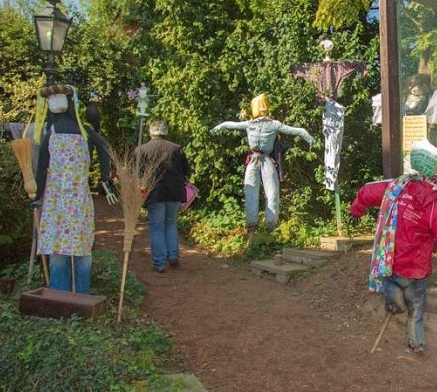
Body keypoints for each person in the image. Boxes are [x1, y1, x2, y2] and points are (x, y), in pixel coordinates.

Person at [350, 138, 437, 354]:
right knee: (416, 311)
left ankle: (394, 304)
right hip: (418, 273)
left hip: (392, 266)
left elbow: (367, 191)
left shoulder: (395, 188)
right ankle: (417, 344)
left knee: (391, 290)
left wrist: (357, 210)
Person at [35, 84, 115, 294]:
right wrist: (104, 177)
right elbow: (42, 164)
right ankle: (73, 294)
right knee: (69, 248)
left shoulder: (69, 131)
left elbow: (42, 166)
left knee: (66, 248)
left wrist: (37, 193)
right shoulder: (77, 131)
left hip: (63, 200)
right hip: (66, 200)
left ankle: (68, 294)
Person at [210, 94, 314, 234]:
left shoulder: (249, 124)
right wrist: (311, 140)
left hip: (253, 161)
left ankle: (252, 224)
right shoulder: (274, 124)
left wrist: (213, 130)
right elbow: (298, 131)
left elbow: (227, 124)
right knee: (272, 192)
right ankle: (270, 225)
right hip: (266, 161)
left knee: (251, 191)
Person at [134, 120, 190, 273]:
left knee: (157, 227)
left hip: (154, 193)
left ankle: (160, 263)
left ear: (151, 132)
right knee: (171, 224)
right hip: (174, 193)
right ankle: (173, 255)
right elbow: (186, 170)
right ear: (165, 132)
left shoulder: (141, 150)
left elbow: (137, 173)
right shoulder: (176, 148)